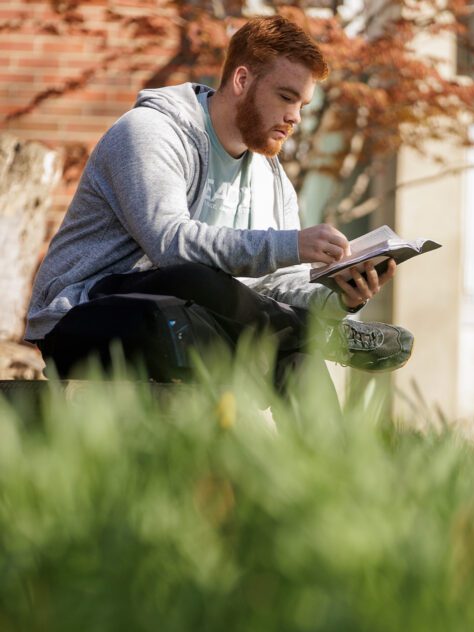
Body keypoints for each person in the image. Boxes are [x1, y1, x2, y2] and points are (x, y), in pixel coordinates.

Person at [26, 15, 413, 389]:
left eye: (303, 105)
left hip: (187, 320)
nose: (294, 116)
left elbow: (275, 285)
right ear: (242, 80)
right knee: (195, 277)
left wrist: (337, 299)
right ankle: (324, 336)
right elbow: (170, 244)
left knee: (294, 352)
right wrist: (292, 245)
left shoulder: (271, 177)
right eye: (285, 97)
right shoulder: (150, 132)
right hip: (85, 318)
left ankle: (330, 450)